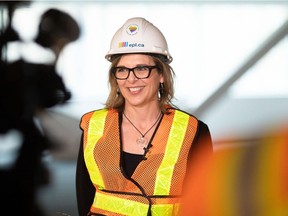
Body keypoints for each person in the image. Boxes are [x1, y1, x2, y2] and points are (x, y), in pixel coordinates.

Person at [76, 17, 213, 216]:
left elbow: (204, 204)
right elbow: (84, 197)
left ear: (162, 75)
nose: (131, 79)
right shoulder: (94, 126)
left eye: (141, 69)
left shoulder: (191, 131)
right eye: (122, 70)